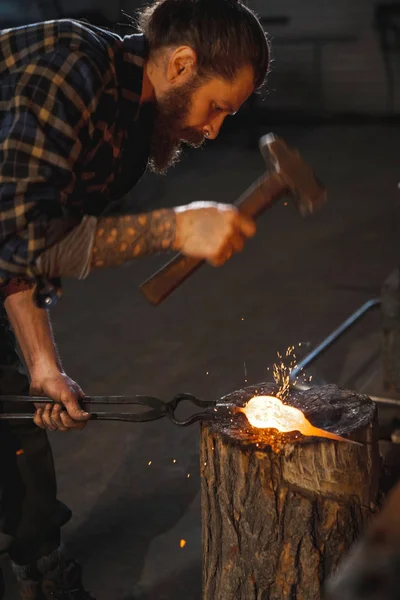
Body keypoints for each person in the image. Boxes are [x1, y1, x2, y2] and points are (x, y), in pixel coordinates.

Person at [0, 0, 270, 597]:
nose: (212, 130)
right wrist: (173, 228)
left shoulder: (126, 135)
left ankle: (39, 567)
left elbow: (27, 251)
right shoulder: (71, 66)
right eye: (216, 107)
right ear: (180, 64)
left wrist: (44, 364)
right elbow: (20, 235)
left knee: (17, 418)